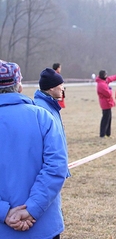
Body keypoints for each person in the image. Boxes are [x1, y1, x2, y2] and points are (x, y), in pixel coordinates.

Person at [0, 60, 69, 238]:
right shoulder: (43, 117)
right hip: (44, 225)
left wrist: (4, 213)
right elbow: (56, 167)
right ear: (19, 86)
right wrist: (33, 208)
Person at [96, 70, 116, 138]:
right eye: (106, 75)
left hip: (107, 102)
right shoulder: (101, 84)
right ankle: (102, 134)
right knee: (105, 118)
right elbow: (108, 94)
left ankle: (107, 133)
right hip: (105, 103)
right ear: (103, 75)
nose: (107, 76)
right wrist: (110, 90)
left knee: (109, 118)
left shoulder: (103, 81)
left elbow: (111, 78)